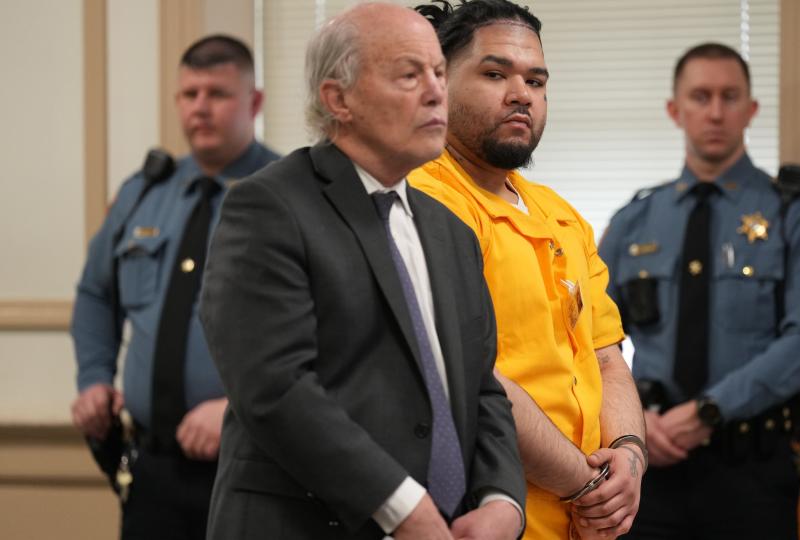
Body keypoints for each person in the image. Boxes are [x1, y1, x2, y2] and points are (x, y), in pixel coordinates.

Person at [199, 4, 526, 540]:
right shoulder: (268, 206)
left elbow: (482, 389)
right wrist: (401, 506)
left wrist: (502, 500)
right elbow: (274, 387)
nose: (435, 91)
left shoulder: (452, 233)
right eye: (409, 74)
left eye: (439, 73)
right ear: (338, 99)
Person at [409, 2, 646, 538]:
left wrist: (629, 460)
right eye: (495, 74)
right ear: (440, 84)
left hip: (587, 521)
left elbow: (608, 359)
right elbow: (469, 377)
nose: (522, 93)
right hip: (486, 516)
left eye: (536, 80)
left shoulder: (560, 213)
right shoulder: (424, 200)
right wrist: (586, 487)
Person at [599, 42, 800, 540]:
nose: (715, 111)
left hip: (752, 473)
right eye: (700, 96)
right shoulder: (634, 220)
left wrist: (710, 411)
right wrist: (636, 421)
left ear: (751, 110)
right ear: (675, 110)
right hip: (646, 469)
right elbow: (587, 339)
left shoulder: (797, 216)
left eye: (730, 96)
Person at [69, 34, 277, 539]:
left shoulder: (289, 194)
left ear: (253, 102)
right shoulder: (143, 193)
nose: (200, 108)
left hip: (254, 463)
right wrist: (94, 377)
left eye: (218, 94)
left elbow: (329, 330)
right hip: (152, 466)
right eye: (189, 94)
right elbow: (96, 294)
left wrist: (236, 409)